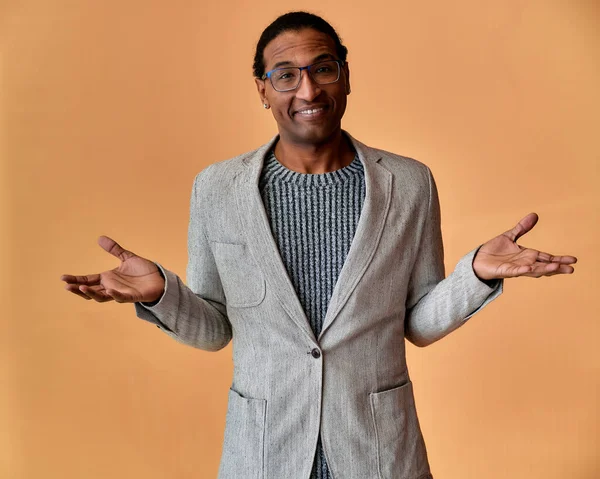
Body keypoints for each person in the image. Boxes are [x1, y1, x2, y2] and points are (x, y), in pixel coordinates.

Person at [60, 11, 577, 479]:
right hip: (264, 454)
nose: (307, 90)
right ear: (262, 90)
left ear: (345, 76)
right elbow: (215, 330)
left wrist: (475, 275)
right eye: (285, 75)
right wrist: (161, 295)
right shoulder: (216, 189)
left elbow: (417, 323)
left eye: (323, 68)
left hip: (377, 453)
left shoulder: (409, 183)